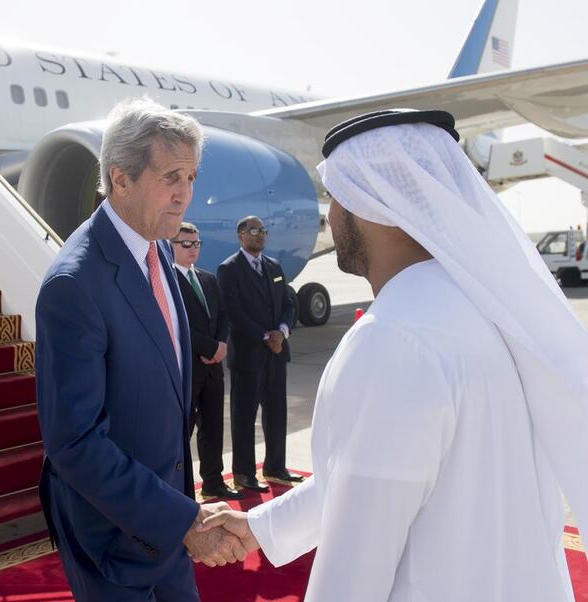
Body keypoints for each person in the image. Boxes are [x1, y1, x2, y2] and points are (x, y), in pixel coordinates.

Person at [199, 109, 588, 601]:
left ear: (370, 205)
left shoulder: (394, 339)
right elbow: (368, 482)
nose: (331, 217)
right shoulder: (485, 310)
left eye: (336, 198)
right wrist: (259, 525)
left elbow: (355, 566)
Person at [35, 98, 247, 601]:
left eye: (192, 177)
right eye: (171, 176)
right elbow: (74, 444)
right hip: (111, 538)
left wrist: (183, 511)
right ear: (121, 177)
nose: (185, 195)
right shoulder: (75, 284)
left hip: (167, 521)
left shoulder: (157, 253)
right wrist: (181, 519)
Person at [217, 216, 302, 492]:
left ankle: (275, 467)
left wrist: (281, 331)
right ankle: (243, 473)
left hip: (277, 354)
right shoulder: (229, 269)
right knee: (244, 416)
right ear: (240, 235)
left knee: (276, 413)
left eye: (263, 230)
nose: (260, 235)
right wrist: (265, 336)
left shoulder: (274, 267)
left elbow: (289, 304)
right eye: (254, 230)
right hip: (249, 355)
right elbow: (233, 313)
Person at [171, 222, 243, 500]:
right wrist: (209, 346)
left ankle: (213, 481)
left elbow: (223, 315)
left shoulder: (207, 278)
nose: (192, 249)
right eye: (185, 244)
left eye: (196, 243)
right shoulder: (167, 280)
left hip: (213, 367)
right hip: (188, 368)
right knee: (183, 430)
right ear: (171, 246)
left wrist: (221, 345)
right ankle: (180, 487)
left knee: (213, 426)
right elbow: (177, 325)